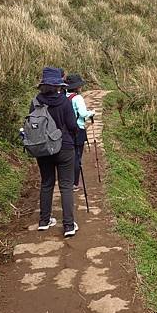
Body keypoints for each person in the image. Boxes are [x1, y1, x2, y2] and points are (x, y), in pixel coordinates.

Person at [31, 67, 80, 237]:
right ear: (58, 85)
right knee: (66, 185)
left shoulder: (36, 101)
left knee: (47, 183)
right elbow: (73, 125)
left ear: (43, 85)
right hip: (64, 147)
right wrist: (72, 135)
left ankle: (44, 221)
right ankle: (68, 225)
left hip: (42, 147)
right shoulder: (64, 101)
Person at [65, 74, 95, 191]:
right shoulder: (78, 98)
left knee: (68, 156)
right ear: (77, 87)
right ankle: (75, 183)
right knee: (77, 157)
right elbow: (83, 114)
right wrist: (91, 113)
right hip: (78, 130)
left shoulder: (63, 96)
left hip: (66, 130)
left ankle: (67, 180)